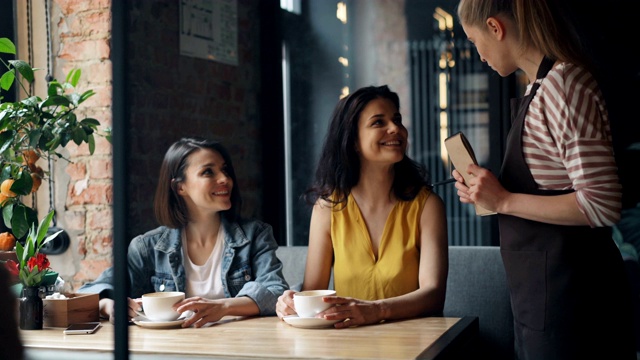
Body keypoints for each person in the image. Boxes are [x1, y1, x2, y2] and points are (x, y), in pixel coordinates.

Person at [454, 0, 636, 358]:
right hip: (543, 302)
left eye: (475, 41)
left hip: (577, 308)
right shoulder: (538, 88)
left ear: (495, 27)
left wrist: (504, 200)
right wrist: (488, 195)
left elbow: (601, 205)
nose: (479, 55)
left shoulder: (565, 85)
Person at [275, 85, 448, 328]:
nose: (395, 129)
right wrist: (290, 301)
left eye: (397, 119)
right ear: (353, 141)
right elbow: (313, 292)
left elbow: (433, 296)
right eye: (378, 122)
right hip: (349, 343)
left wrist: (376, 311)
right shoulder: (328, 209)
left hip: (416, 342)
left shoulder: (427, 206)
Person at [78, 137, 288, 328]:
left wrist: (223, 307)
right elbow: (89, 292)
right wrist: (109, 305)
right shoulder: (148, 247)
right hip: (172, 349)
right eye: (208, 172)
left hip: (238, 348)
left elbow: (275, 291)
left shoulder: (255, 235)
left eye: (225, 170)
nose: (225, 179)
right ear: (180, 187)